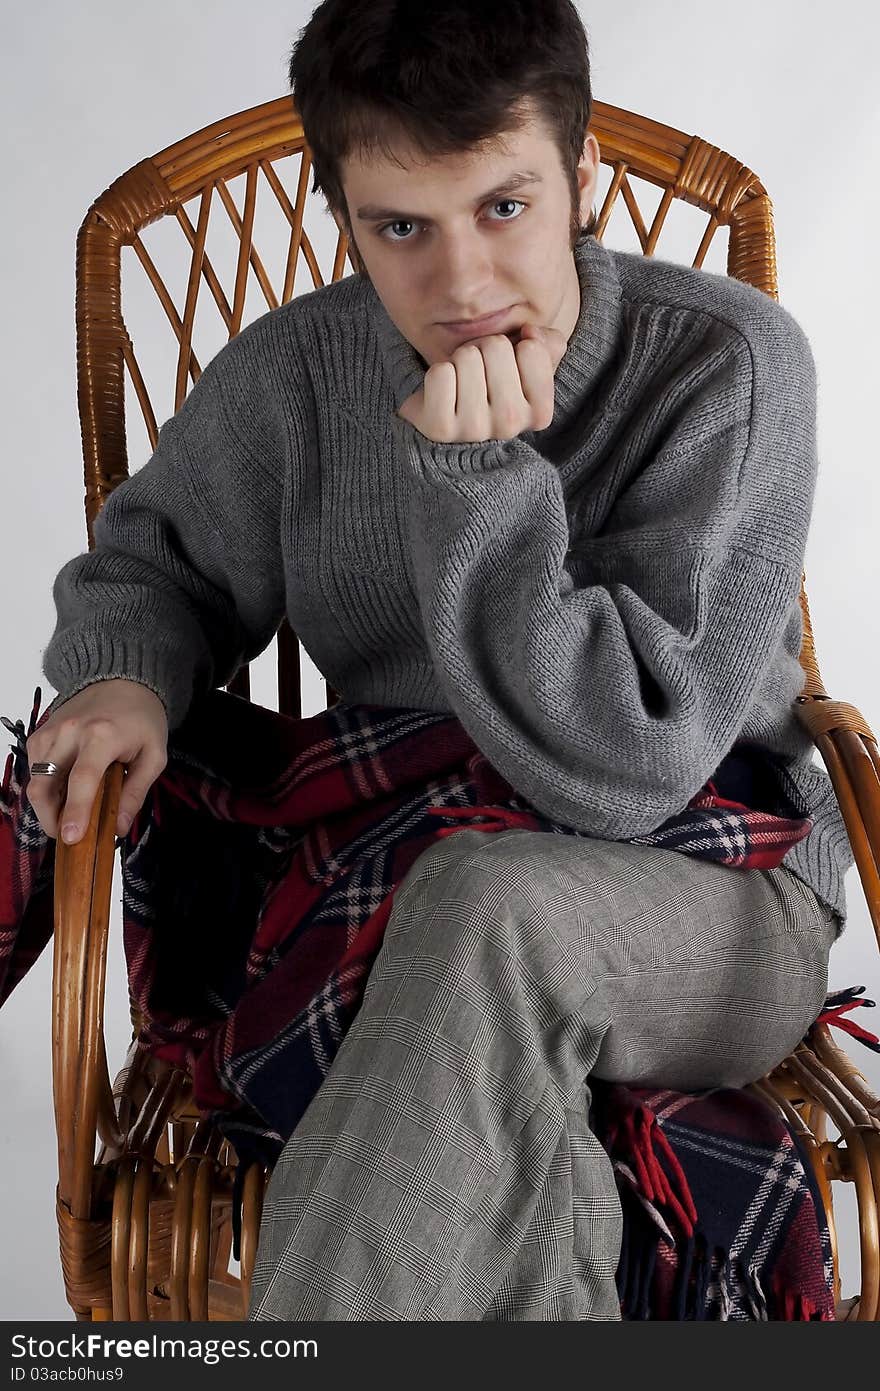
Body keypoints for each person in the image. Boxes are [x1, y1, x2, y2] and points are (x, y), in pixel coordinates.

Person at [26, 0, 851, 1320]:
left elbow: (628, 772)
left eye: (505, 208)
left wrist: (476, 484)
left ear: (584, 182)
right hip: (400, 886)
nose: (462, 285)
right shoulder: (297, 373)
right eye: (401, 227)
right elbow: (152, 564)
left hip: (714, 900)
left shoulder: (725, 362)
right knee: (473, 962)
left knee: (486, 904)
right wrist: (126, 672)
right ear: (345, 215)